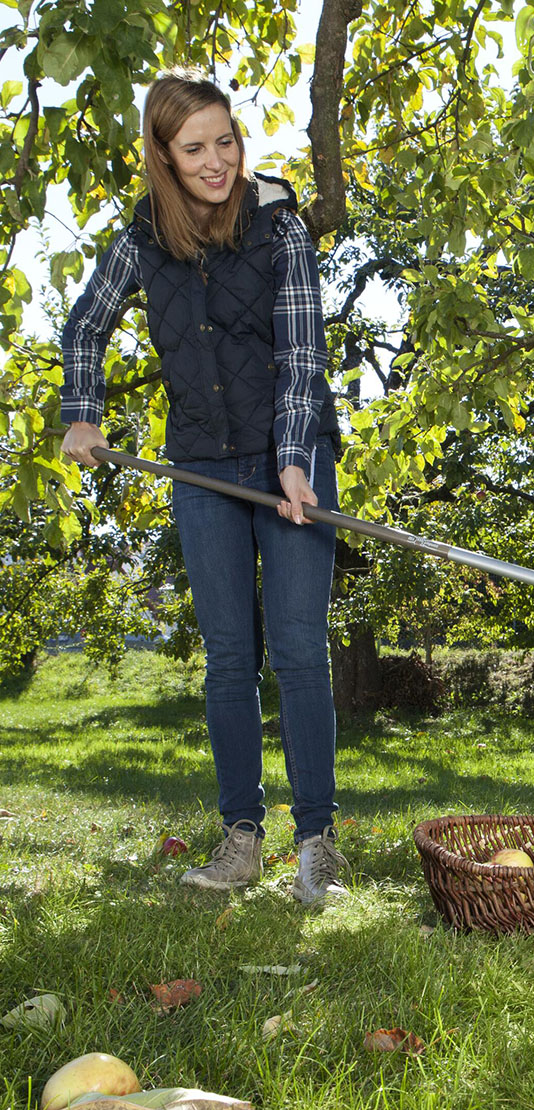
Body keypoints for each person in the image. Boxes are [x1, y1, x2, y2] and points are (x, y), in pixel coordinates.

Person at [59, 67, 348, 906]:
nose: (217, 161)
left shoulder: (279, 225)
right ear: (163, 156)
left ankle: (318, 843)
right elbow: (86, 322)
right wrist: (84, 411)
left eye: (226, 140)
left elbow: (303, 357)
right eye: (195, 149)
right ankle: (242, 839)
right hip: (198, 466)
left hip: (289, 457)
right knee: (229, 658)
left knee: (297, 651)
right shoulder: (142, 238)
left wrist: (295, 457)